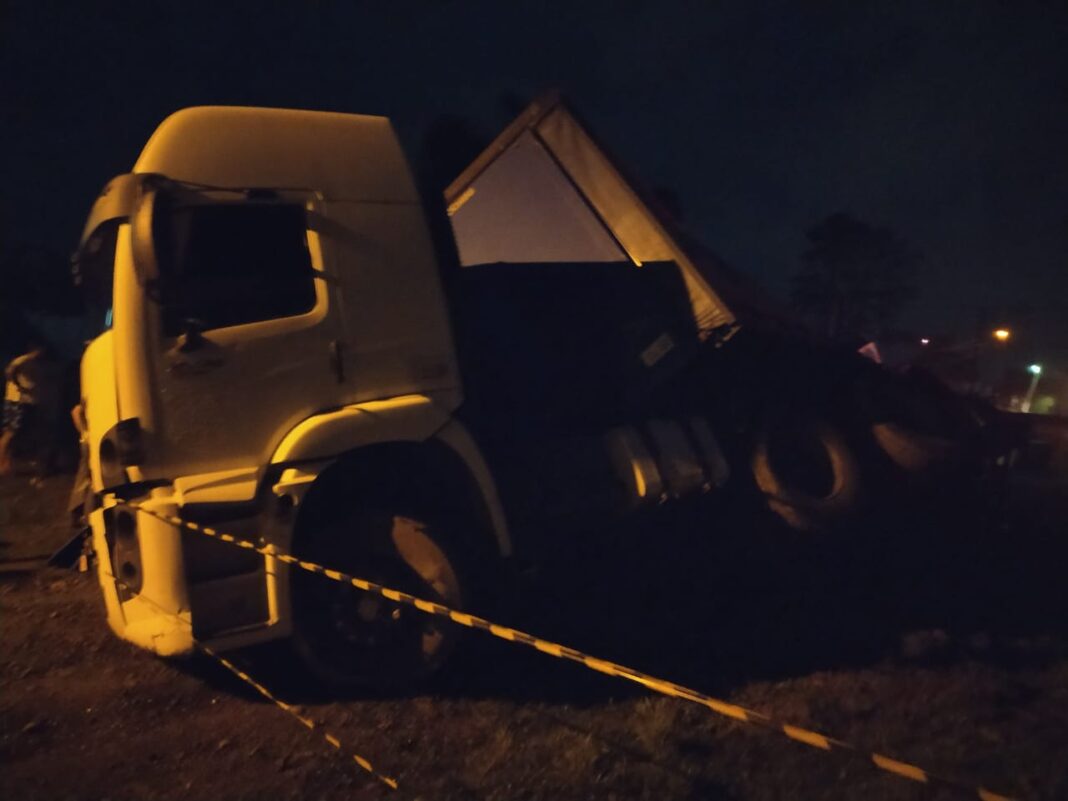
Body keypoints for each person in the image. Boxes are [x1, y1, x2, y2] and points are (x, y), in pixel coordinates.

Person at [0, 341, 62, 482]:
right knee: (10, 432)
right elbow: (9, 370)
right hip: (17, 401)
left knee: (23, 433)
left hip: (29, 402)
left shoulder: (36, 364)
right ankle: (2, 462)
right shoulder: (22, 361)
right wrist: (18, 385)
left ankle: (8, 463)